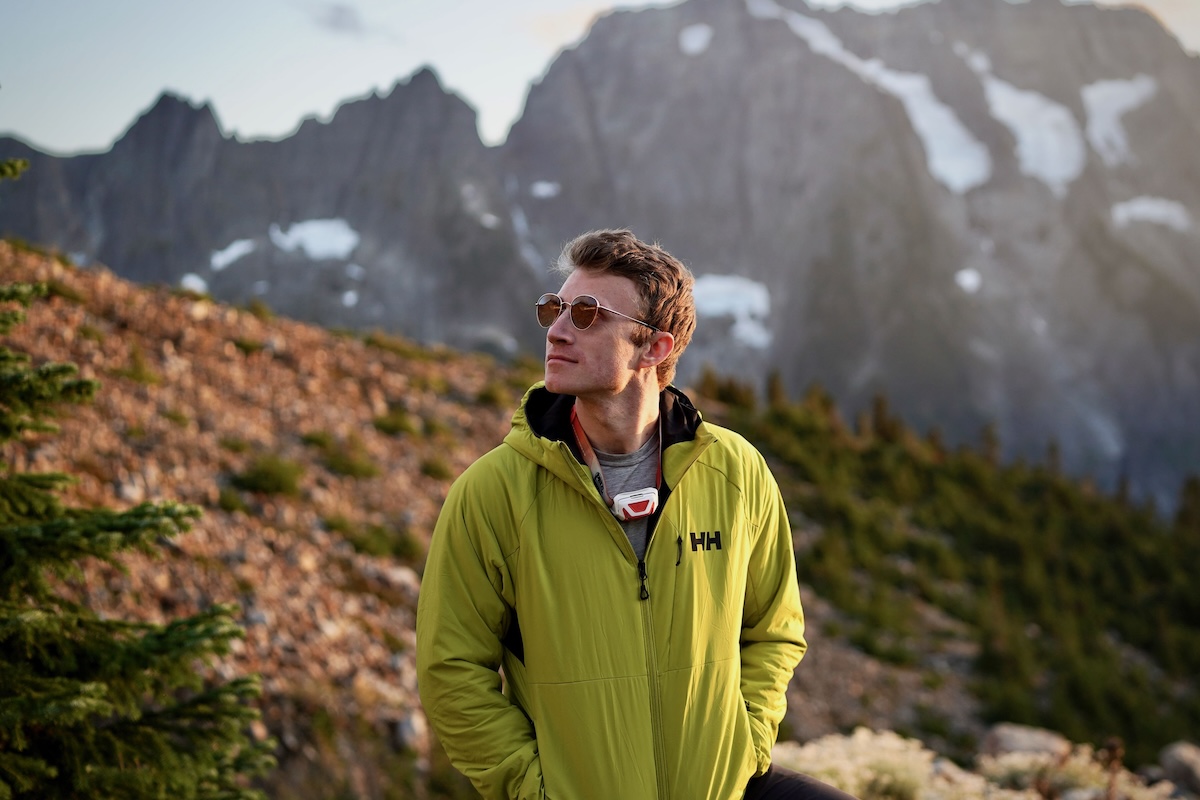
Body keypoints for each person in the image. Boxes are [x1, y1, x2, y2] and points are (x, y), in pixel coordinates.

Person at [416, 229, 855, 800]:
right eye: (553, 309)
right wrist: (534, 788)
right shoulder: (492, 492)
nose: (557, 329)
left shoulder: (736, 471)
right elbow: (451, 669)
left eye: (586, 313)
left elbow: (775, 628)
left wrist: (745, 746)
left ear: (655, 348)